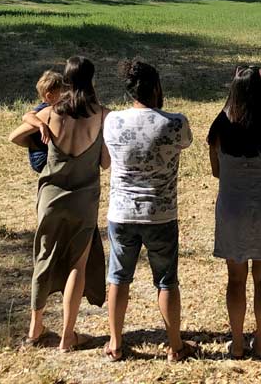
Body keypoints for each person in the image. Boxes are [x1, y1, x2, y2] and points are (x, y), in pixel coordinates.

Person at [9, 56, 109, 352]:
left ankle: (35, 328)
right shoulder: (103, 114)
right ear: (92, 80)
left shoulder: (51, 113)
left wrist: (36, 122)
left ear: (66, 80)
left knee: (43, 258)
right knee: (77, 264)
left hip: (50, 197)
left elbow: (14, 137)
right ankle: (68, 336)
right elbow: (105, 163)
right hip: (84, 199)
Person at [102, 60, 197, 362]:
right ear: (156, 87)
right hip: (161, 213)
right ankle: (175, 346)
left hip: (121, 213)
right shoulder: (175, 123)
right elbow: (186, 143)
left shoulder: (113, 121)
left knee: (118, 277)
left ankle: (116, 343)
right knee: (166, 281)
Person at [208, 66, 261, 359]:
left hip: (231, 209)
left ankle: (238, 343)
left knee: (235, 279)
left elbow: (216, 171)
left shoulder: (219, 129)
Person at [7, 69, 64, 173]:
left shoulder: (53, 108)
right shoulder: (45, 108)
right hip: (41, 156)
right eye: (62, 94)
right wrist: (41, 124)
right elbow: (26, 116)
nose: (66, 97)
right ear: (49, 96)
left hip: (41, 153)